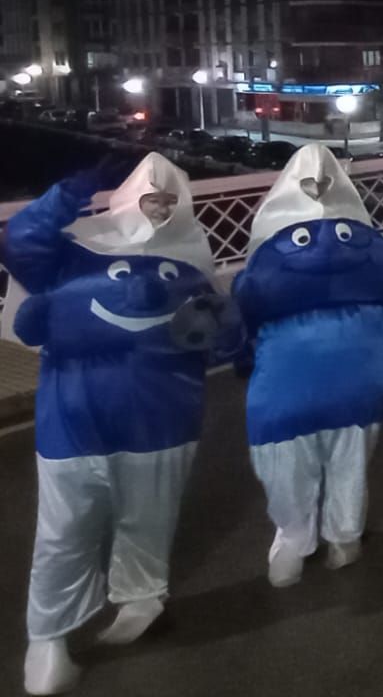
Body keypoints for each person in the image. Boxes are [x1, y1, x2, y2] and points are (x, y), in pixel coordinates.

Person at [4, 156, 225, 695]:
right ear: (127, 197)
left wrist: (228, 333)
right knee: (65, 530)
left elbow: (214, 327)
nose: (162, 206)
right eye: (152, 195)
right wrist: (69, 191)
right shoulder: (77, 250)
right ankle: (49, 634)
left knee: (149, 515)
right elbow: (22, 240)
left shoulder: (191, 259)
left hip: (165, 417)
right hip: (77, 415)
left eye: (172, 198)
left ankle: (143, 597)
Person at [233, 144, 383, 587]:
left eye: (323, 182)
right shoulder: (271, 247)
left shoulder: (361, 239)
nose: (317, 191)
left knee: (350, 460)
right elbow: (246, 309)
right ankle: (293, 535)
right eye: (307, 183)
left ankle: (344, 532)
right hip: (290, 382)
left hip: (356, 378)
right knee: (287, 466)